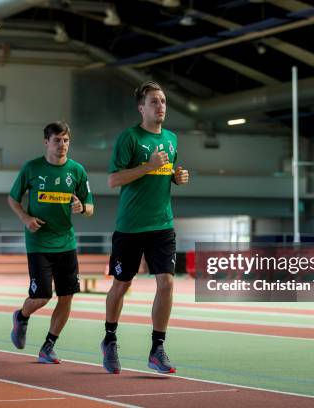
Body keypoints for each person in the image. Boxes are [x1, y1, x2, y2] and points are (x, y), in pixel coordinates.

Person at [101, 81, 189, 374]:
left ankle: (157, 348)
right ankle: (110, 339)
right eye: (154, 102)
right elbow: (113, 180)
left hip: (162, 224)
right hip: (130, 226)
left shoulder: (173, 139)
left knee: (167, 283)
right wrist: (147, 167)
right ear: (142, 108)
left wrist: (176, 177)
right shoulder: (130, 138)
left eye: (163, 101)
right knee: (121, 285)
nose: (160, 106)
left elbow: (167, 174)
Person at [8, 121, 94, 364]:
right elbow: (13, 199)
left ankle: (49, 345)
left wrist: (82, 207)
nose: (62, 145)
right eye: (57, 140)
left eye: (66, 140)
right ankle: (22, 316)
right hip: (39, 243)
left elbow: (90, 207)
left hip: (66, 243)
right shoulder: (32, 168)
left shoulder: (77, 171)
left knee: (67, 296)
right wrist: (25, 218)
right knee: (42, 297)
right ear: (46, 142)